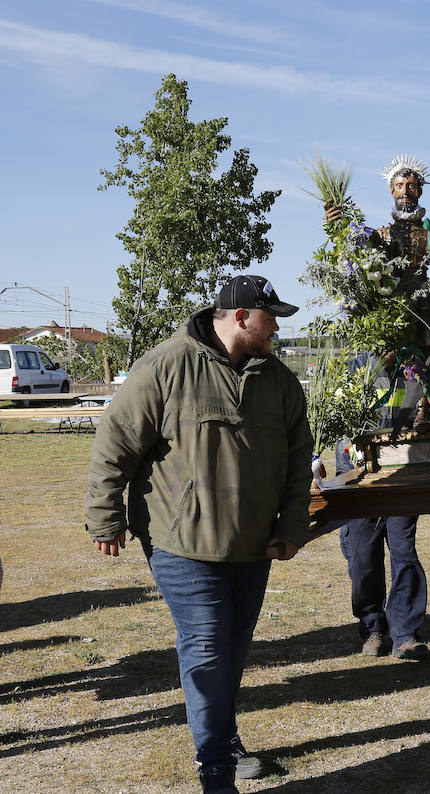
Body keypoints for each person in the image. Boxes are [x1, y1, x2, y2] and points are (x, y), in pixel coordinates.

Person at [84, 275, 313, 794]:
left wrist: (292, 524)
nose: (277, 326)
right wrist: (105, 516)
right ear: (239, 317)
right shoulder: (166, 366)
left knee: (231, 651)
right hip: (181, 542)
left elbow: (301, 459)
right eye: (270, 316)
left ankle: (223, 737)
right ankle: (215, 771)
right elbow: (115, 443)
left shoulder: (278, 381)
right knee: (207, 646)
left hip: (254, 545)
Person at [326, 154, 430, 429]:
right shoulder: (381, 234)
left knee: (423, 359)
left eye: (411, 186)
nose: (406, 192)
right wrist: (338, 224)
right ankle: (395, 413)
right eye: (400, 186)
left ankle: (422, 412)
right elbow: (352, 250)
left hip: (423, 303)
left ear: (420, 190)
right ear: (391, 190)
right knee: (391, 359)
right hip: (392, 305)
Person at [335, 354, 429, 660]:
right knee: (362, 558)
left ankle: (405, 633)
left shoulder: (411, 368)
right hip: (359, 477)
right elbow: (343, 421)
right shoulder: (354, 365)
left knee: (404, 553)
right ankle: (373, 628)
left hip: (401, 475)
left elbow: (421, 417)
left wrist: (422, 419)